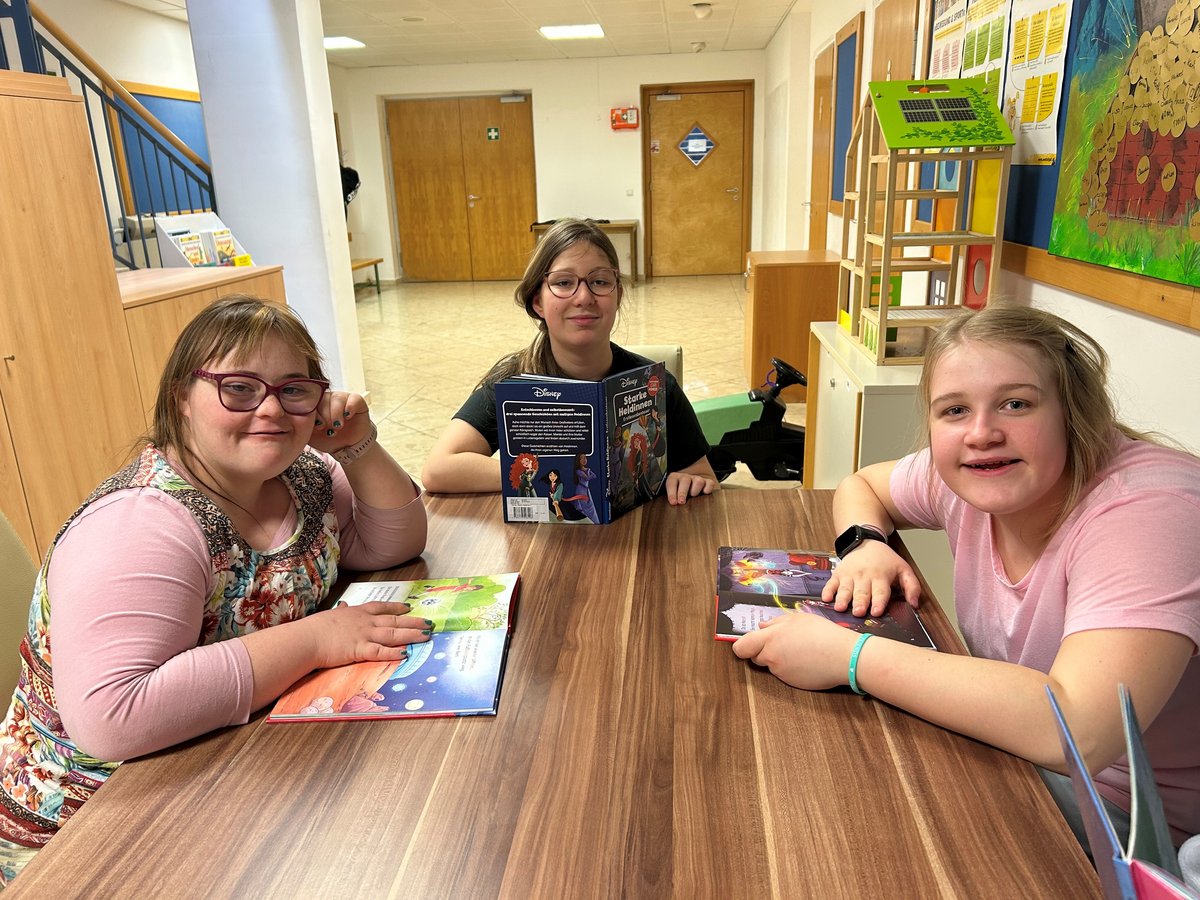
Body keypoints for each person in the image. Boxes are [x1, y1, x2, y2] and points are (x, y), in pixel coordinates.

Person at [731, 304, 1200, 850]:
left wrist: (849, 657)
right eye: (955, 409)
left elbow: (1080, 730)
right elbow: (864, 485)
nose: (981, 434)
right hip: (1020, 753)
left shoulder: (1151, 510)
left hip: (1131, 821)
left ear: (1073, 411)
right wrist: (864, 544)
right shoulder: (966, 473)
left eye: (1016, 403)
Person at [0, 295, 429, 885]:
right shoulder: (139, 525)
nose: (271, 408)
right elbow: (113, 716)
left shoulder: (302, 474)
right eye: (240, 388)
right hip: (89, 830)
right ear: (182, 396)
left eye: (294, 389)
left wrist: (357, 446)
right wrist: (318, 639)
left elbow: (390, 545)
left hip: (226, 766)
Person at [421, 217, 718, 506]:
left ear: (617, 295)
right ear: (538, 301)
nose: (584, 297)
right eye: (563, 282)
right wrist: (540, 476)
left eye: (600, 281)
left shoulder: (656, 384)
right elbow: (438, 469)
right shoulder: (513, 382)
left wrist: (690, 481)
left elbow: (703, 475)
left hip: (639, 534)